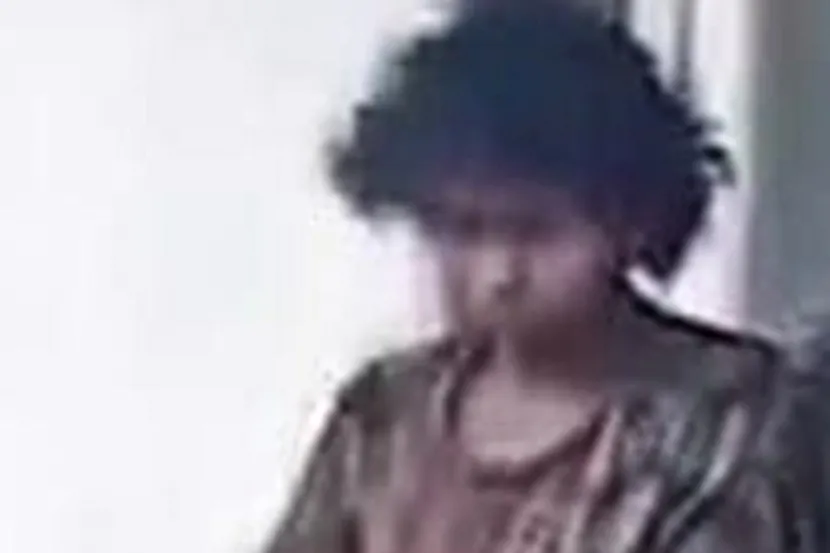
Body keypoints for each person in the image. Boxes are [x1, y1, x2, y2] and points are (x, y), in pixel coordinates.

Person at [263, 3, 825, 552]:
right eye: (462, 230)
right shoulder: (384, 414)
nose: (498, 274)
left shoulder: (736, 425)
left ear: (631, 219)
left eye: (536, 232)